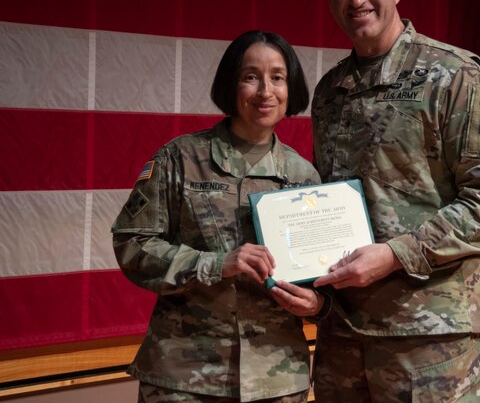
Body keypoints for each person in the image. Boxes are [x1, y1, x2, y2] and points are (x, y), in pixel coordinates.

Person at [309, 0, 480, 401]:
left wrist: (395, 254)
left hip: (430, 341)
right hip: (343, 335)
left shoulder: (455, 76)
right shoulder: (328, 92)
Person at [112, 30, 324, 403]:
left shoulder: (305, 177)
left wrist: (317, 304)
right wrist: (216, 264)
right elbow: (132, 244)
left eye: (277, 77)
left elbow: (324, 274)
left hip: (275, 381)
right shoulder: (179, 159)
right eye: (250, 77)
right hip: (185, 379)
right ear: (231, 84)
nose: (265, 91)